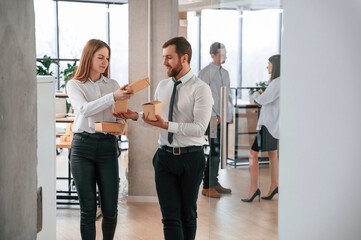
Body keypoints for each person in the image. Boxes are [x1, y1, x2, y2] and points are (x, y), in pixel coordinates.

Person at [114, 37, 213, 240]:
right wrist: (135, 116)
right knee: (169, 217)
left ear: (184, 58)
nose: (164, 62)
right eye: (163, 57)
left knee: (187, 214)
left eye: (169, 57)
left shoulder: (201, 88)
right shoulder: (163, 86)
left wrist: (166, 125)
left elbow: (199, 128)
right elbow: (155, 120)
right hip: (164, 158)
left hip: (191, 158)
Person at [66, 39, 134, 239]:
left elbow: (118, 118)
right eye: (100, 57)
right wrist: (113, 96)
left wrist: (120, 126)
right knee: (87, 210)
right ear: (89, 57)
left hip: (107, 147)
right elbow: (85, 110)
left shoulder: (112, 84)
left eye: (107, 58)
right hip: (82, 148)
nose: (105, 62)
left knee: (111, 210)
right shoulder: (74, 85)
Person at [241, 54, 281, 202]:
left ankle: (253, 190)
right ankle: (274, 185)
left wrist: (256, 94)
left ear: (275, 66)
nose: (267, 66)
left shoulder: (277, 82)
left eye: (269, 64)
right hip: (274, 125)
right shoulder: (280, 82)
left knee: (252, 154)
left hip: (268, 125)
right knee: (273, 154)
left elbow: (261, 100)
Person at [198, 42, 234, 198]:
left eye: (225, 53)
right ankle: (207, 186)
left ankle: (215, 182)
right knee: (214, 150)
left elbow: (228, 95)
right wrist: (215, 115)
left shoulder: (225, 73)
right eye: (221, 54)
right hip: (212, 119)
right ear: (212, 55)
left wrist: (229, 115)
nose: (224, 56)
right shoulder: (205, 73)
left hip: (223, 117)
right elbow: (203, 97)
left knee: (219, 152)